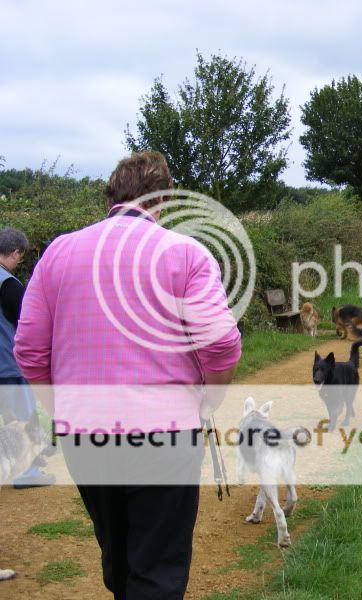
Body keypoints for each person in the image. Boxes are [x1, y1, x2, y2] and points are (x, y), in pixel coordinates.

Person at [14, 151, 242, 599]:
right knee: (156, 567)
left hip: (85, 430)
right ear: (164, 201)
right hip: (165, 431)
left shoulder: (59, 252)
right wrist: (209, 401)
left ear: (111, 196)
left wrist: (61, 409)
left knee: (117, 557)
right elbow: (219, 343)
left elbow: (28, 349)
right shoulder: (186, 254)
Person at [0, 227, 54, 488]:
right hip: (9, 365)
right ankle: (27, 472)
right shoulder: (8, 284)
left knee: (7, 420)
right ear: (15, 252)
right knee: (23, 421)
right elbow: (26, 324)